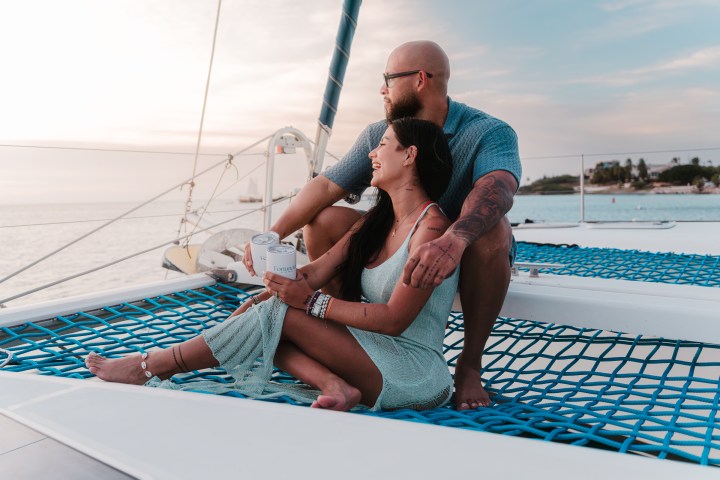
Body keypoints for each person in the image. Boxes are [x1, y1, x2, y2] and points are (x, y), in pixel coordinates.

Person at [86, 118, 459, 412]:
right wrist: (280, 285)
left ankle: (151, 366)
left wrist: (309, 302)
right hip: (374, 354)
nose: (371, 154)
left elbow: (395, 319)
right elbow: (318, 271)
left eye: (382, 145)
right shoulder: (376, 222)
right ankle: (335, 386)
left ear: (409, 155)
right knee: (265, 312)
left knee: (283, 316)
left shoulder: (432, 232)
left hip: (414, 373)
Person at [243, 40, 522, 410]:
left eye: (388, 78)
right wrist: (273, 234)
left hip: (462, 247)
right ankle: (343, 341)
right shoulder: (381, 134)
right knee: (324, 219)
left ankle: (470, 364)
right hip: (400, 239)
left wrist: (453, 239)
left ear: (421, 79)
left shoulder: (488, 131)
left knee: (494, 231)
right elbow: (327, 185)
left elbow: (496, 188)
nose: (382, 89)